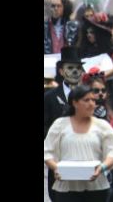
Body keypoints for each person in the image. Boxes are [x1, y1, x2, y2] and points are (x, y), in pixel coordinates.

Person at [44, 84, 113, 202]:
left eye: (93, 100)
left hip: (97, 189)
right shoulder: (60, 125)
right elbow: (47, 151)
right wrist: (56, 168)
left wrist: (102, 168)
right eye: (86, 100)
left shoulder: (101, 125)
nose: (91, 104)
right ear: (75, 102)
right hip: (67, 188)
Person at [44, 46, 86, 202]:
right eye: (70, 68)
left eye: (78, 68)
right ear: (61, 71)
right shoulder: (49, 97)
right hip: (59, 158)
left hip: (84, 156)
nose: (75, 72)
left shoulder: (89, 96)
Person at [76, 13, 113, 79]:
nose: (89, 35)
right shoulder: (84, 49)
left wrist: (100, 76)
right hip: (89, 85)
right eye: (87, 32)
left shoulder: (111, 47)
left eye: (92, 32)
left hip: (108, 83)